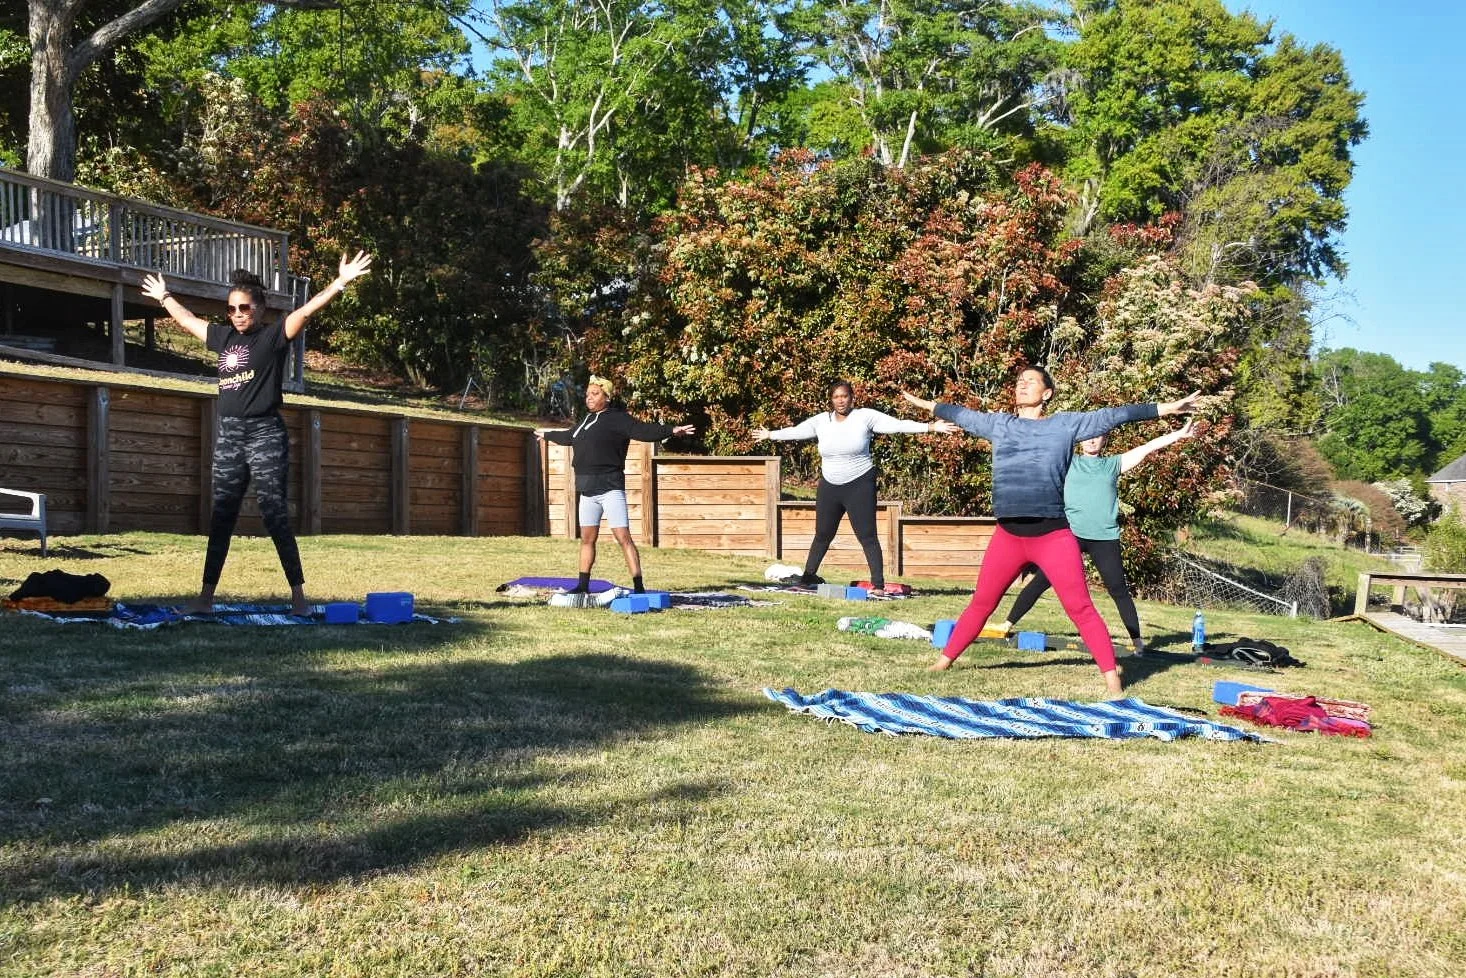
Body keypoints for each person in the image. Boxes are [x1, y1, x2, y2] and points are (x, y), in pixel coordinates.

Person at [902, 368, 1200, 695]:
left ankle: (1113, 680)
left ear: (1046, 394)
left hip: (1052, 537)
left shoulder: (1064, 425)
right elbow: (961, 414)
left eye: (1031, 381)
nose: (1022, 384)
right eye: (1019, 381)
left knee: (1080, 608)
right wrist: (926, 404)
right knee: (982, 603)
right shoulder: (1000, 424)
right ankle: (944, 661)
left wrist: (1167, 408)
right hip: (1008, 537)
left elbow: (1116, 416)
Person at [141, 252, 372, 615]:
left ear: (260, 309)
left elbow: (307, 311)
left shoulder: (272, 337)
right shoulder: (223, 337)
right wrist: (164, 296)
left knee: (274, 512)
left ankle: (299, 599)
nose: (237, 314)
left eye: (244, 308)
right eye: (231, 309)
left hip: (265, 434)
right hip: (230, 435)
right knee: (222, 515)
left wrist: (341, 282)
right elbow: (187, 321)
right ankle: (205, 599)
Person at [991, 419, 1196, 655]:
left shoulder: (1112, 464)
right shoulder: (1068, 461)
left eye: (1097, 436)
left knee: (1118, 589)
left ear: (1105, 440)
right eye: (1088, 436)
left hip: (1104, 538)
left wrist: (1178, 434)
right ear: (1080, 440)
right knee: (1042, 580)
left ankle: (1138, 643)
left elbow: (1147, 447)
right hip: (1070, 535)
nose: (1091, 440)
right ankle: (1007, 624)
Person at [752, 381, 959, 595]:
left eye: (844, 396)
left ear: (852, 398)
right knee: (822, 534)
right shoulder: (821, 421)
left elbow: (897, 425)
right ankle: (808, 577)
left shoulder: (865, 417)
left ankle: (878, 584)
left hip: (859, 484)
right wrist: (770, 435)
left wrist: (931, 427)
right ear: (831, 400)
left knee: (867, 535)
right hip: (829, 485)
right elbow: (797, 431)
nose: (840, 400)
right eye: (836, 397)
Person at [537, 375, 695, 595]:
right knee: (587, 539)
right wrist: (548, 435)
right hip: (587, 491)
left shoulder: (618, 418)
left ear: (607, 397)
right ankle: (582, 586)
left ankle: (639, 587)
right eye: (588, 394)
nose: (589, 398)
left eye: (595, 394)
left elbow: (643, 431)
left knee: (623, 538)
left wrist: (671, 430)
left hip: (610, 489)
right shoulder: (586, 420)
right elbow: (569, 436)